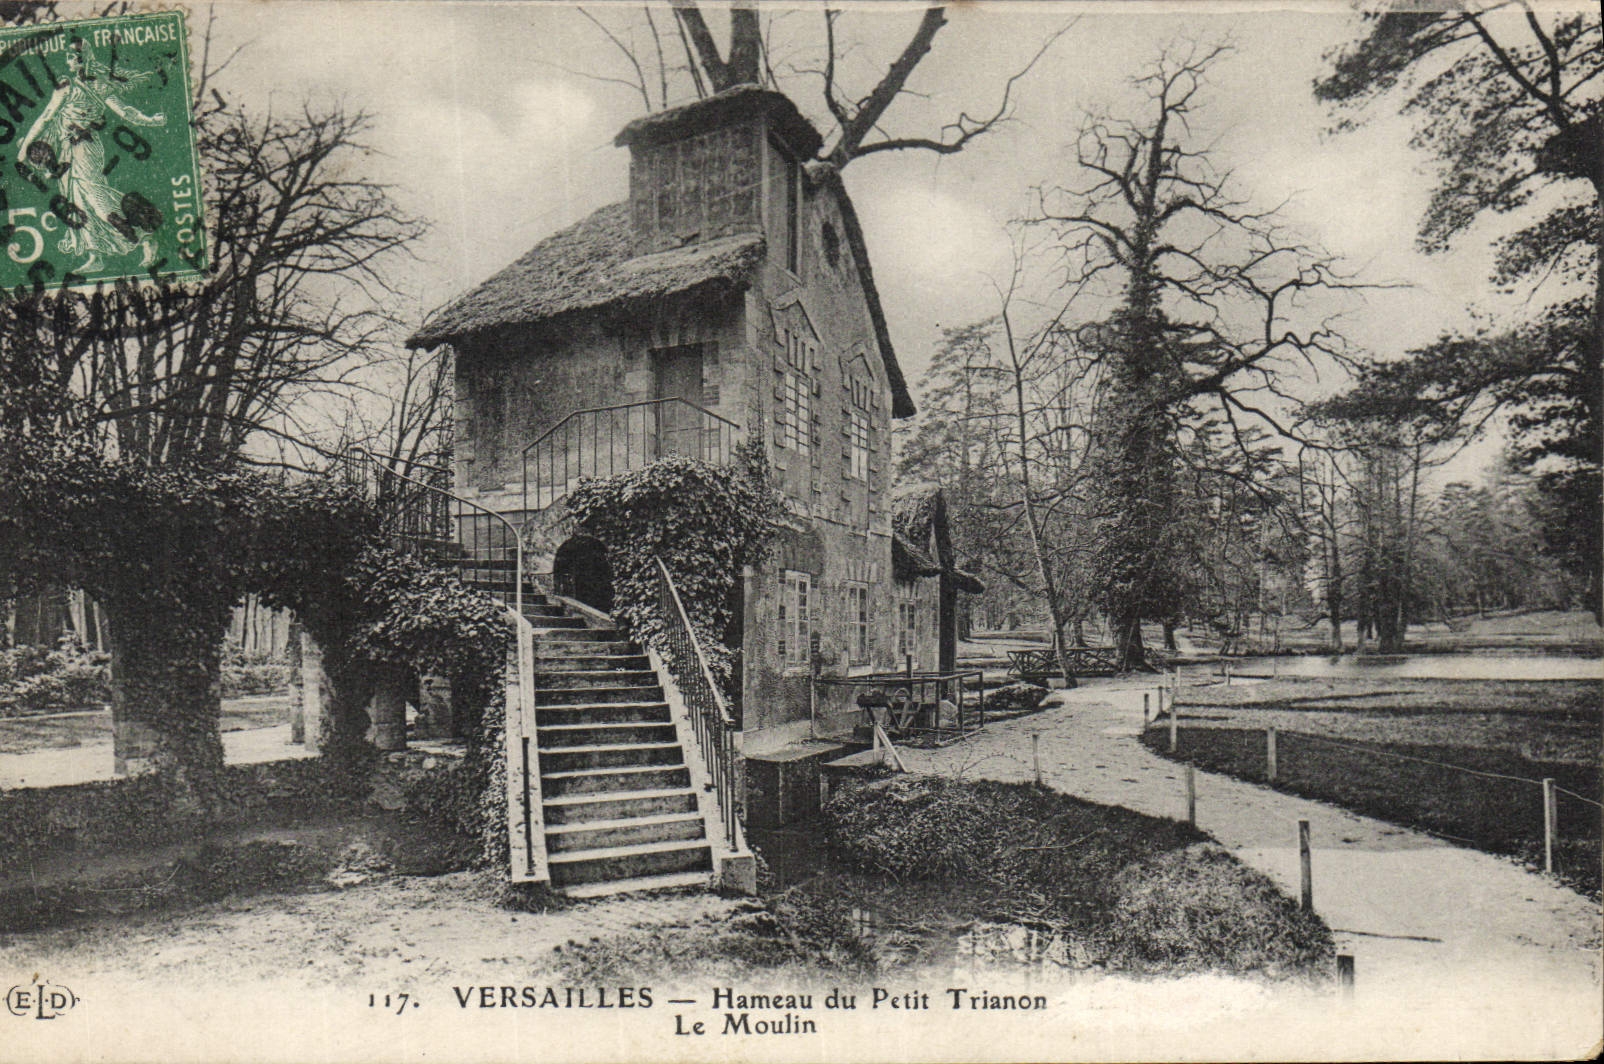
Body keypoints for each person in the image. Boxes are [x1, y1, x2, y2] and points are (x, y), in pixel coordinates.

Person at [17, 39, 167, 273]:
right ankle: (95, 254)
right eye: (69, 56)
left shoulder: (101, 86)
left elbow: (125, 111)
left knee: (95, 195)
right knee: (76, 200)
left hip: (85, 147)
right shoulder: (66, 85)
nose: (73, 60)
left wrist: (149, 120)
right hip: (64, 148)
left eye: (78, 56)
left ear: (87, 57)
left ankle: (144, 236)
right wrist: (24, 149)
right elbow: (46, 116)